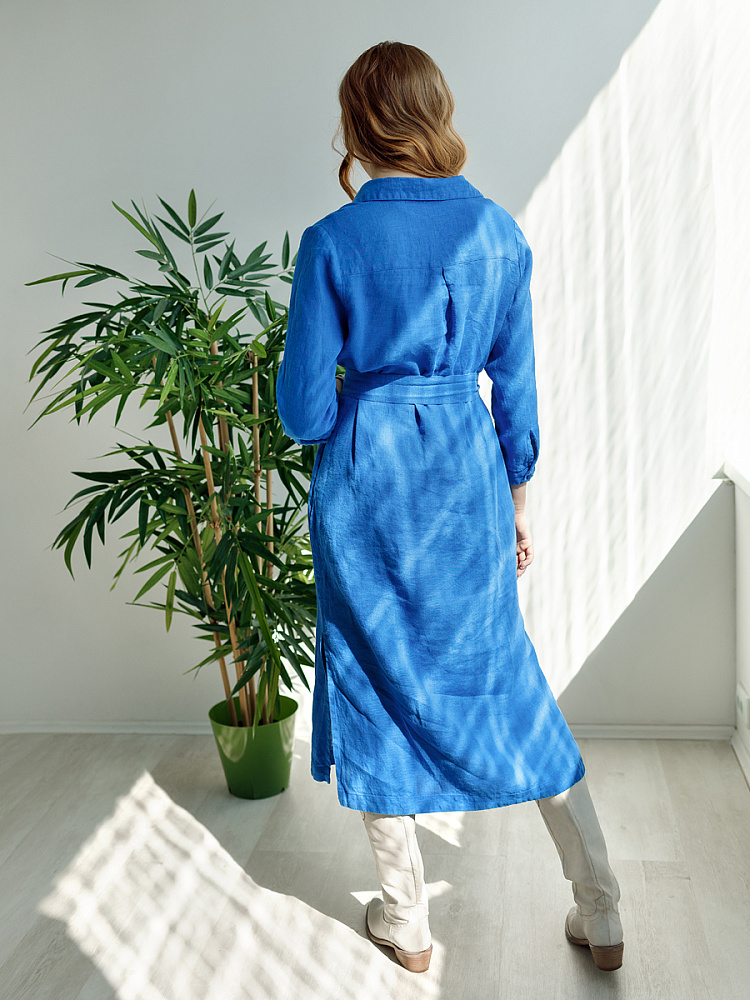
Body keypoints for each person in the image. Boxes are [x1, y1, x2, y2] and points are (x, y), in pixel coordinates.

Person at [275, 40, 623, 975]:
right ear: (436, 112)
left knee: (371, 677)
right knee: (506, 677)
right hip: (468, 485)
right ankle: (601, 906)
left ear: (357, 122)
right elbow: (518, 397)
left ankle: (406, 921)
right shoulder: (498, 233)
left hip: (367, 485)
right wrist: (517, 504)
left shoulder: (332, 241)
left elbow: (304, 413)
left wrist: (359, 399)